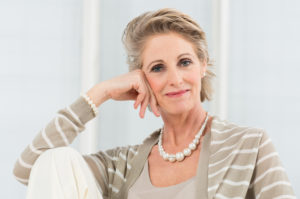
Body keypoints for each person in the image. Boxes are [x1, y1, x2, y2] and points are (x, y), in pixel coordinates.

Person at [13, 8, 295, 199]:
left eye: (184, 62)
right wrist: (100, 93)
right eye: (158, 68)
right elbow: (30, 168)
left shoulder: (249, 146)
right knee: (57, 159)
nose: (175, 79)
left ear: (203, 66)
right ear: (142, 79)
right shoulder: (123, 166)